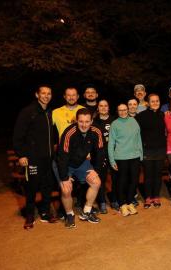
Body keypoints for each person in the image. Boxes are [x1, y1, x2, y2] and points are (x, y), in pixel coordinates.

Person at [13, 85, 57, 229]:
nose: (46, 96)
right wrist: (21, 155)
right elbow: (18, 136)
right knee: (32, 187)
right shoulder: (28, 112)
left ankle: (44, 212)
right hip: (33, 158)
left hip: (48, 158)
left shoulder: (49, 112)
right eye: (43, 93)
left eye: (49, 93)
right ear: (37, 95)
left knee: (47, 186)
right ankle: (30, 216)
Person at [57, 108, 104, 228]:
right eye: (81, 121)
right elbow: (62, 157)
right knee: (66, 189)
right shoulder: (69, 133)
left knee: (96, 182)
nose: (84, 124)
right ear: (76, 121)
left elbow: (100, 152)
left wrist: (96, 170)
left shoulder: (96, 132)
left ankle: (87, 212)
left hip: (81, 162)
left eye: (87, 121)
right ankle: (69, 215)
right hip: (65, 163)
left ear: (91, 121)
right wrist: (64, 177)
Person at [108, 104, 143, 217]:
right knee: (122, 182)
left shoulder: (133, 121)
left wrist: (141, 154)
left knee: (134, 180)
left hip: (135, 156)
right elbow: (111, 143)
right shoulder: (115, 124)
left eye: (124, 110)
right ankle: (122, 204)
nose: (123, 112)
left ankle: (129, 202)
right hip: (121, 157)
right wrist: (112, 160)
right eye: (120, 110)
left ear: (128, 110)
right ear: (117, 111)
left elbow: (138, 138)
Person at [135, 94, 167, 209]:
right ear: (148, 103)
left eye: (157, 101)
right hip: (147, 150)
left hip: (160, 149)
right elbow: (134, 130)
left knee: (158, 175)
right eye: (152, 101)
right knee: (148, 175)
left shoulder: (163, 115)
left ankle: (156, 196)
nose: (155, 103)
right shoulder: (141, 116)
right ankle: (148, 197)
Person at [93, 99, 116, 213]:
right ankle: (101, 201)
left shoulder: (114, 120)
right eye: (101, 106)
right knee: (100, 179)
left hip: (113, 154)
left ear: (108, 107)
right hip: (99, 155)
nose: (103, 108)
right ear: (98, 108)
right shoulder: (93, 122)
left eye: (105, 106)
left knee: (114, 178)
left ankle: (114, 199)